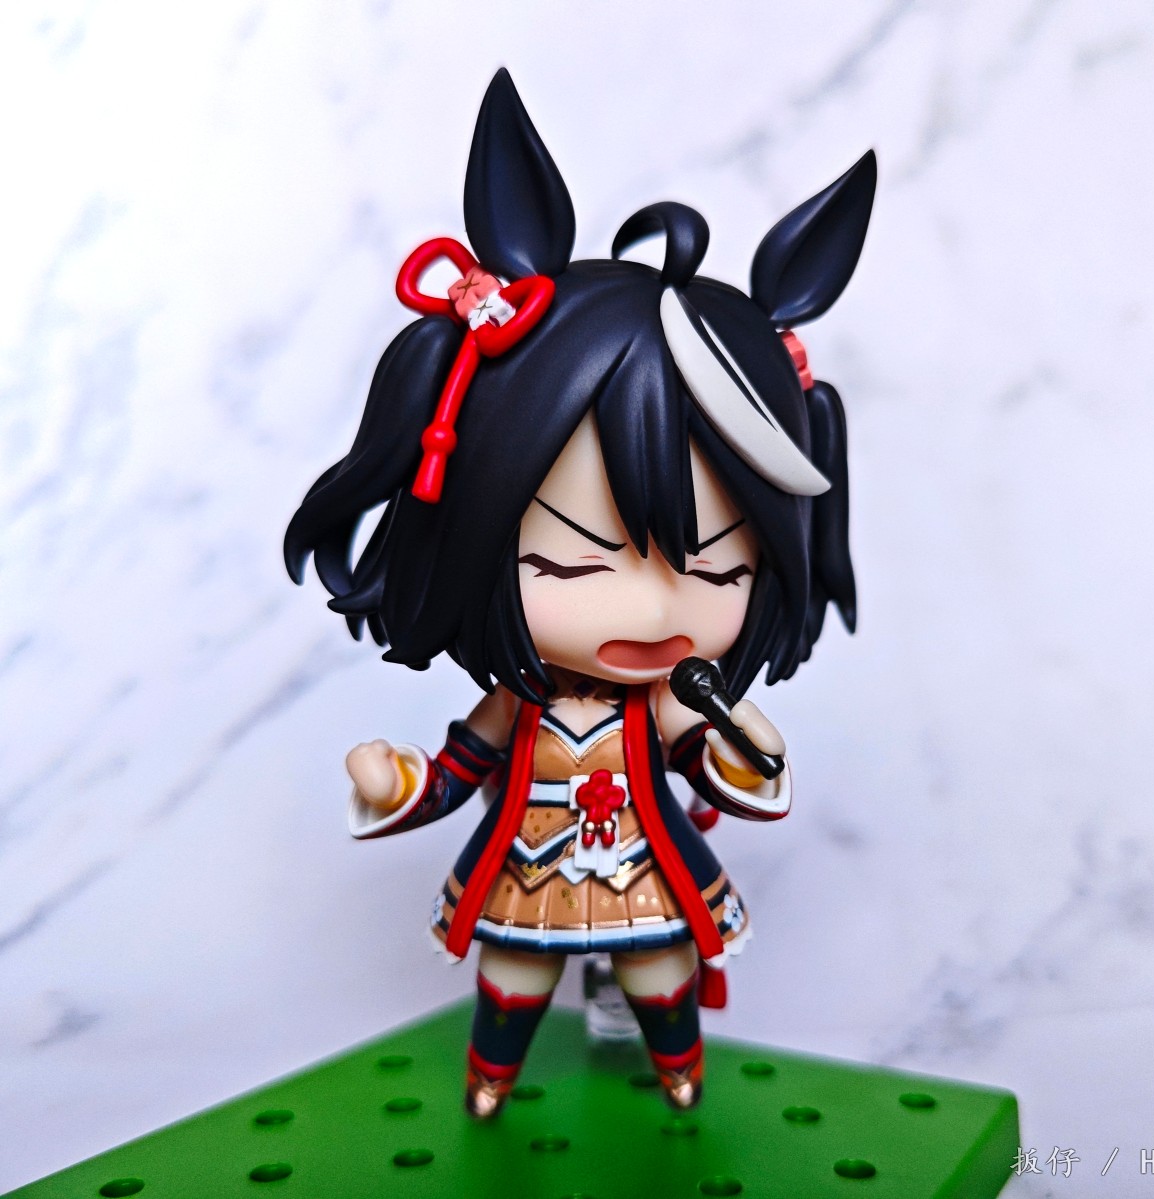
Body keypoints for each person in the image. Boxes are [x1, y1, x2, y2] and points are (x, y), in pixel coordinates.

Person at [284, 69, 875, 1117]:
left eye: (719, 570)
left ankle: (678, 1065)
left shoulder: (676, 702)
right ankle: (491, 1076)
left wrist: (747, 746)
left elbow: (718, 764)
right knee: (513, 971)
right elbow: (460, 770)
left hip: (647, 875)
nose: (650, 610)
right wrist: (396, 783)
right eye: (566, 563)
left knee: (660, 967)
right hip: (531, 873)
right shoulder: (520, 703)